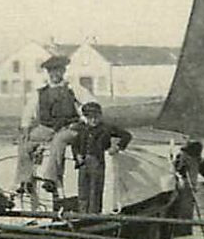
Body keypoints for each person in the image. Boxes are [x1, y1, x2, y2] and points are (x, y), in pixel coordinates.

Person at [19, 53, 97, 188]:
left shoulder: (73, 88)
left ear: (63, 71)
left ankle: (51, 179)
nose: (55, 74)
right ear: (48, 73)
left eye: (58, 70)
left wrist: (84, 120)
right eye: (52, 71)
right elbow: (28, 111)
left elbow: (92, 104)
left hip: (70, 127)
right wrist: (25, 127)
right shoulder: (40, 92)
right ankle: (25, 180)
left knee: (59, 140)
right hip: (47, 127)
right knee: (25, 143)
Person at [71, 101, 132, 214]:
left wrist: (117, 147)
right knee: (83, 191)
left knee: (95, 190)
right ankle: (82, 215)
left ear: (100, 116)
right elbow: (75, 144)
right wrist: (77, 155)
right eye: (90, 118)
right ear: (85, 118)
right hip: (83, 163)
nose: (93, 120)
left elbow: (126, 135)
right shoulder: (81, 129)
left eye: (96, 117)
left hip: (97, 161)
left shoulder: (106, 128)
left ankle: (94, 215)